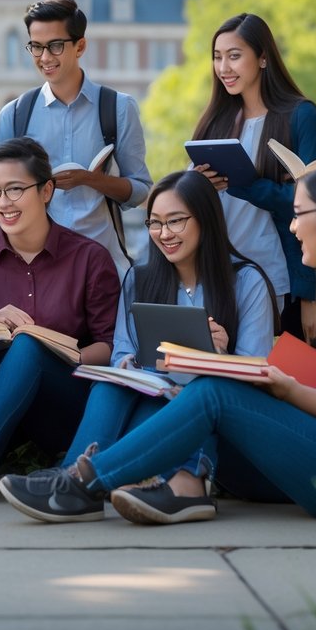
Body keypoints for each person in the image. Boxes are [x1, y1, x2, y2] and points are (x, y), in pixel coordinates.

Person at [0, 164, 316, 525]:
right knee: (208, 386)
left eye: (300, 215)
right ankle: (182, 485)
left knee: (216, 389)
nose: (293, 227)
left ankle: (84, 484)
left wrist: (286, 390)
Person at [57, 169, 277, 520]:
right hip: (156, 402)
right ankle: (71, 478)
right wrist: (129, 366)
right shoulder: (140, 279)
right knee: (110, 386)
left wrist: (219, 358)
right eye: (155, 223)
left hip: (217, 428)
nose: (164, 234)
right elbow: (121, 351)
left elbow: (256, 375)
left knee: (200, 390)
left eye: (176, 221)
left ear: (206, 219)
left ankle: (166, 482)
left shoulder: (246, 282)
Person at [0, 137, 120, 501]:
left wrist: (56, 348)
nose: (3, 203)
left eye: (16, 189)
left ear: (47, 190)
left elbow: (111, 345)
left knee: (29, 345)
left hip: (59, 406)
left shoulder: (89, 258)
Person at [192, 12, 316, 341]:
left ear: (264, 58)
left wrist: (310, 294)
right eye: (217, 57)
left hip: (282, 280)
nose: (224, 68)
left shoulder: (300, 118)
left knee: (283, 378)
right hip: (218, 278)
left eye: (235, 56)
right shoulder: (217, 122)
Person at [0, 0, 152, 275]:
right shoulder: (15, 114)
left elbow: (140, 190)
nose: (45, 58)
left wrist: (91, 180)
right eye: (36, 47)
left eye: (55, 46)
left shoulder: (118, 108)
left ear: (80, 46)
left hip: (102, 265)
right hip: (35, 269)